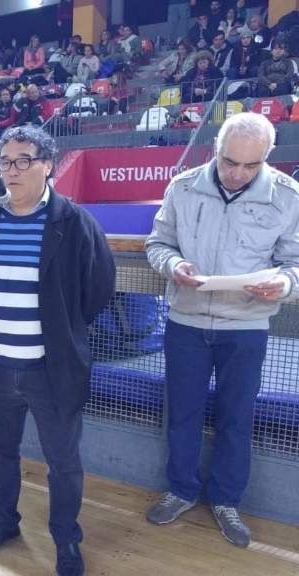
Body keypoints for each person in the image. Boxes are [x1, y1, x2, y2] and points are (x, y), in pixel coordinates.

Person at [0, 125, 115, 576]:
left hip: (51, 370)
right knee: (0, 453)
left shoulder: (74, 223)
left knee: (63, 462)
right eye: (6, 162)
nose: (13, 170)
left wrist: (61, 327)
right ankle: (3, 522)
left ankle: (66, 539)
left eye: (24, 160)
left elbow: (98, 288)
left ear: (48, 165)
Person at [145, 112, 299, 548]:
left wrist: (285, 284)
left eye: (251, 165)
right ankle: (181, 490)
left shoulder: (288, 197)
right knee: (182, 414)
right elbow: (158, 244)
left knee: (237, 417)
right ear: (215, 148)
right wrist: (174, 265)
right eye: (230, 161)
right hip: (186, 322)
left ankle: (227, 500)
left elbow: (295, 262)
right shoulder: (183, 186)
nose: (237, 173)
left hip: (247, 327)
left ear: (268, 157)